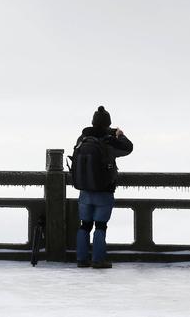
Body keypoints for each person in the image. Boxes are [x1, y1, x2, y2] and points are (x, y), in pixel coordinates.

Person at [75, 105, 133, 269]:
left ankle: (81, 259)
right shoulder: (109, 141)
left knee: (84, 225)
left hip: (85, 191)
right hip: (104, 191)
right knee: (100, 226)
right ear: (108, 124)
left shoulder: (82, 139)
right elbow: (128, 148)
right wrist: (120, 135)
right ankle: (98, 260)